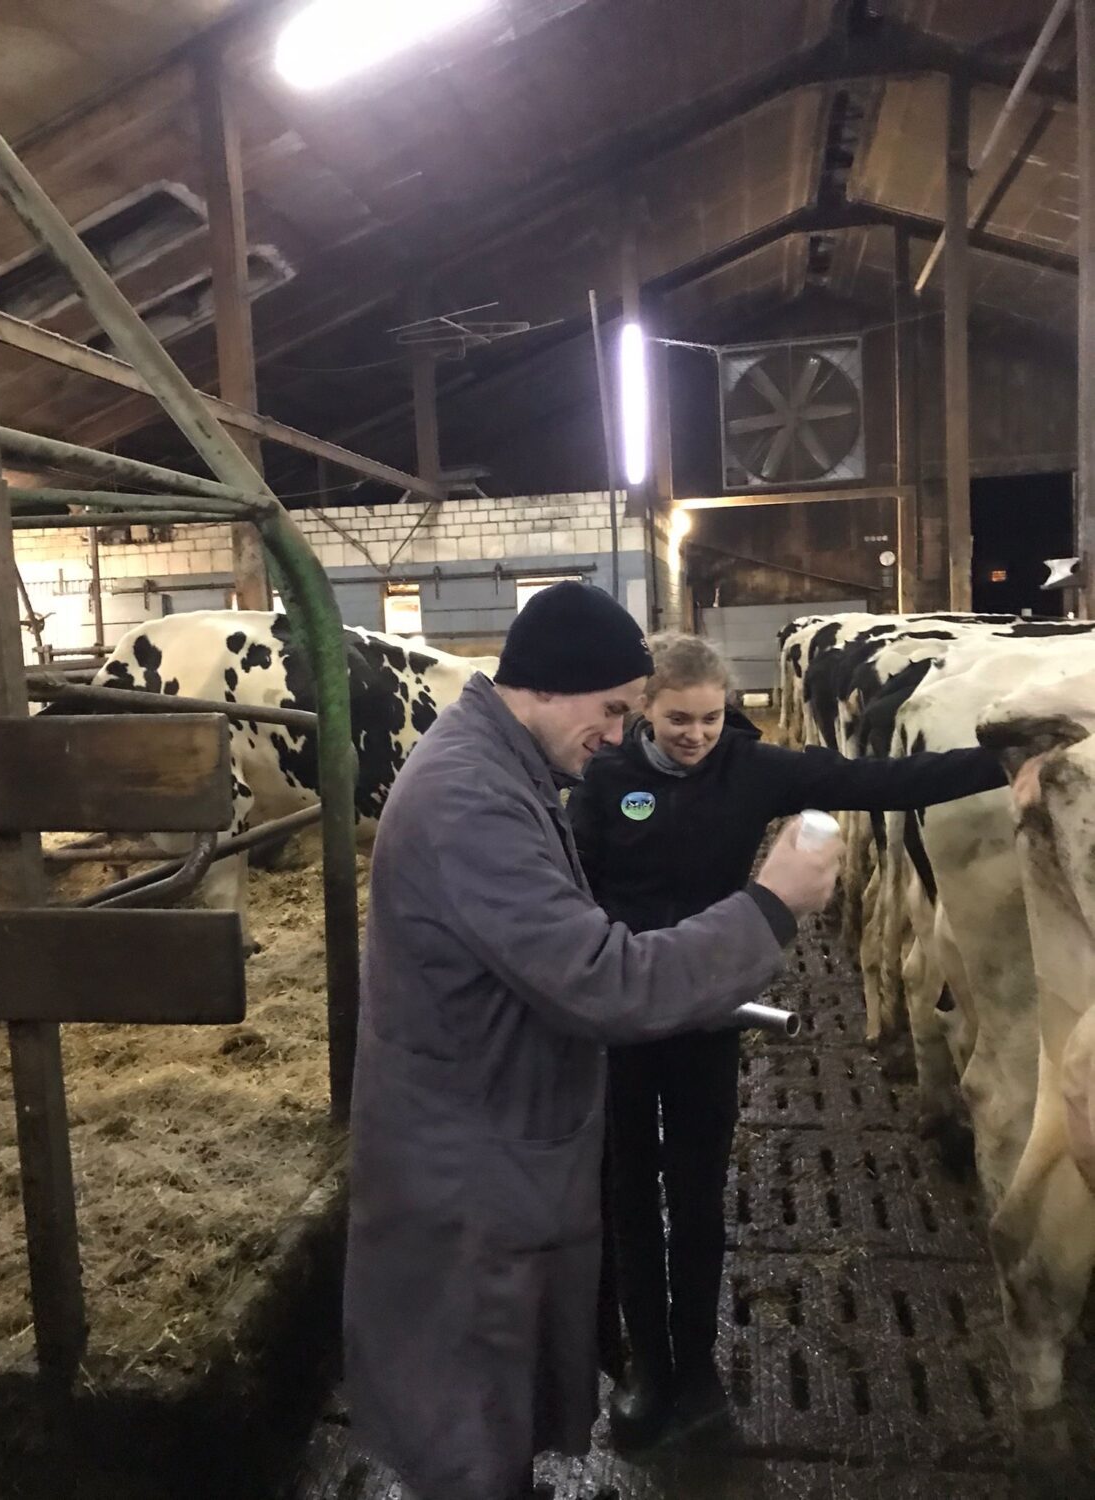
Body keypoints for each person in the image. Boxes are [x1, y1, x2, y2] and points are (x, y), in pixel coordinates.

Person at [342, 585, 843, 1500]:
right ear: (551, 686)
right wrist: (769, 907)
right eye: (613, 709)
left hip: (487, 1143)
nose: (621, 734)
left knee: (488, 1399)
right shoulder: (471, 802)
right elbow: (602, 979)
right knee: (467, 1418)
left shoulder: (505, 772)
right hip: (468, 1173)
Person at [566, 631, 1008, 1451]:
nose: (694, 735)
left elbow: (878, 781)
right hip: (624, 1016)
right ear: (644, 713)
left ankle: (694, 1369)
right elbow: (574, 882)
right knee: (627, 1191)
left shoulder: (751, 768)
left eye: (709, 718)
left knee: (696, 1193)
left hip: (708, 1013)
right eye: (676, 720)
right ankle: (645, 1368)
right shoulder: (604, 777)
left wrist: (1002, 761)